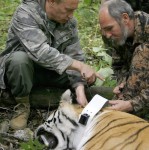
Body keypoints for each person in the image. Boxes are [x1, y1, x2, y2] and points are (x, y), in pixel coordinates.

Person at [0, 0, 104, 130]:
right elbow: (40, 52)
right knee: (19, 60)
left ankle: (73, 97)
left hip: (48, 71)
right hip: (21, 72)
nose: (71, 15)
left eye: (74, 10)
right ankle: (22, 105)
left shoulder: (69, 22)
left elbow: (75, 55)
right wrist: (79, 66)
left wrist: (80, 90)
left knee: (86, 76)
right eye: (68, 10)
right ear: (52, 2)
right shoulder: (26, 12)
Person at [99, 0, 149, 115]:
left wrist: (132, 104)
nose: (107, 35)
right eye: (104, 30)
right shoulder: (115, 35)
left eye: (109, 28)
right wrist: (122, 83)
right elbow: (119, 65)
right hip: (136, 92)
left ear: (125, 18)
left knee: (143, 51)